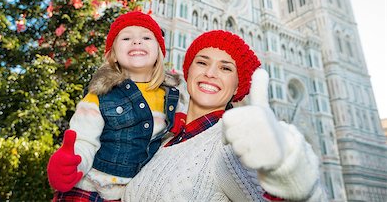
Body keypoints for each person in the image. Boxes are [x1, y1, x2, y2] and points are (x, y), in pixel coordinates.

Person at [122, 30, 327, 201]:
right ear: (188, 70)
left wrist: (287, 171)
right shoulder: (163, 134)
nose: (210, 73)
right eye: (202, 62)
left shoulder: (230, 149)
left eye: (225, 68)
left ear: (238, 85)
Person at [47, 11, 181, 201]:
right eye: (126, 38)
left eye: (146, 37)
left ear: (159, 52)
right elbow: (84, 141)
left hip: (134, 195)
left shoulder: (172, 99)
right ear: (114, 55)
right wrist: (71, 164)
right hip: (90, 190)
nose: (137, 42)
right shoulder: (99, 95)